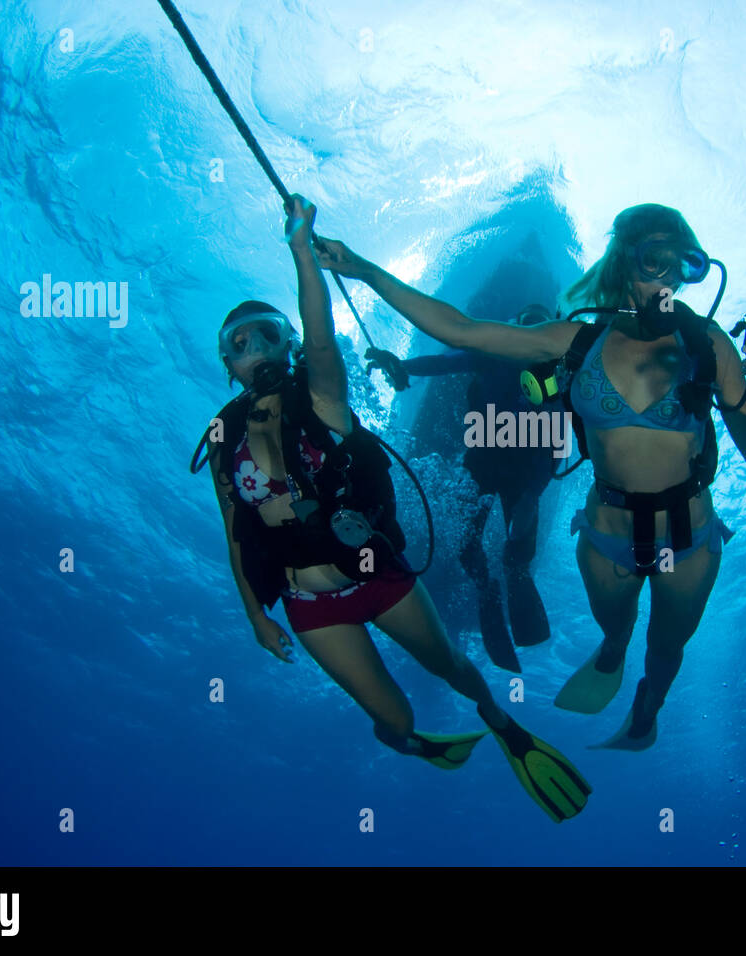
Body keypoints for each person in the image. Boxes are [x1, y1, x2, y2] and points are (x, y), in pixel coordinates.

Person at [312, 203, 746, 750]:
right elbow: (462, 329)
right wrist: (364, 269)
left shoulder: (708, 344)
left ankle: (646, 713)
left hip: (690, 539)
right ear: (622, 262)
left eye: (687, 265)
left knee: (667, 647)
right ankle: (610, 652)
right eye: (656, 258)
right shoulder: (574, 341)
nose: (670, 278)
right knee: (618, 629)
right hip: (608, 539)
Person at [189, 194, 591, 820]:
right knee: (397, 721)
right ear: (228, 365)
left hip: (374, 571)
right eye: (238, 344)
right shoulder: (222, 440)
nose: (255, 348)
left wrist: (303, 252)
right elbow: (234, 532)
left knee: (454, 665)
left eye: (267, 333)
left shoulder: (321, 393)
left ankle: (502, 724)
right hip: (307, 603)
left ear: (287, 341)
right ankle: (406, 732)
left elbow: (323, 342)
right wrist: (253, 616)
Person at [364, 304, 556, 673]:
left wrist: (534, 493)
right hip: (482, 462)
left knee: (518, 553)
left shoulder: (554, 373)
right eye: (527, 324)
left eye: (541, 326)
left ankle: (514, 571)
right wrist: (402, 366)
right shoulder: (492, 354)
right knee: (468, 547)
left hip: (526, 469)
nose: (532, 334)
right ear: (515, 326)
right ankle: (486, 588)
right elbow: (445, 363)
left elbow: (558, 436)